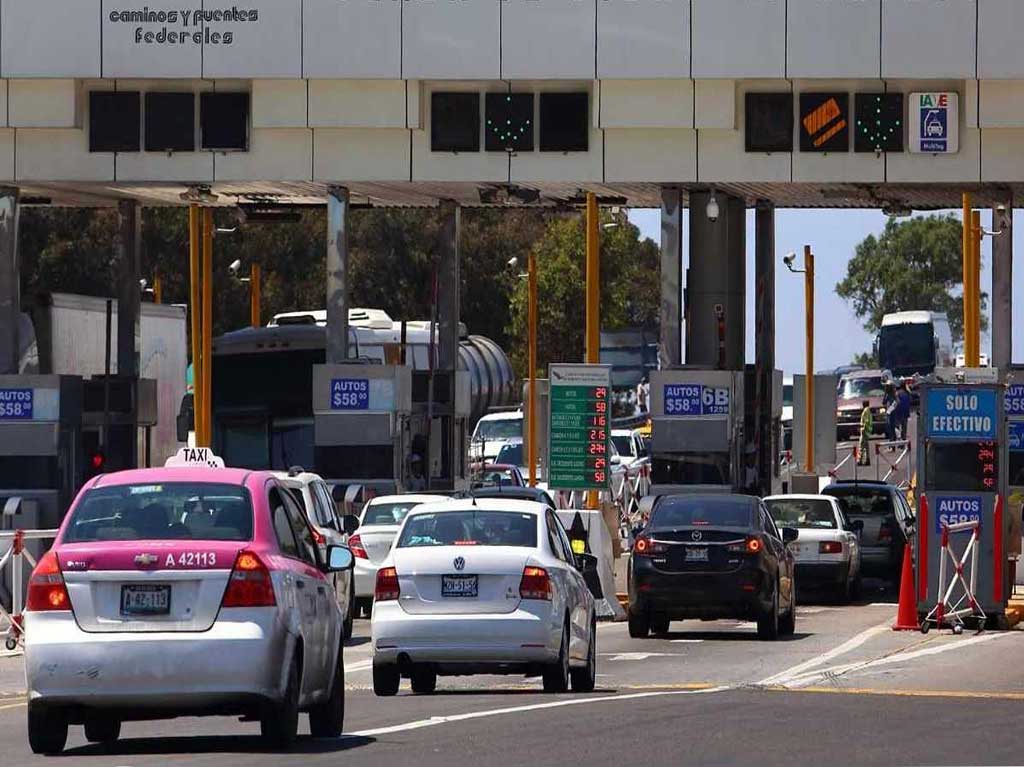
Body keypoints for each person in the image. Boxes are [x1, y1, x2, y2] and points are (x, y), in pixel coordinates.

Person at [858, 399, 872, 466]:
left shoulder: (865, 411)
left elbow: (866, 421)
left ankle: (860, 460)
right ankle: (867, 459)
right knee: (866, 446)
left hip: (864, 431)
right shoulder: (868, 410)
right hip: (867, 431)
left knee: (861, 446)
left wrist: (862, 428)